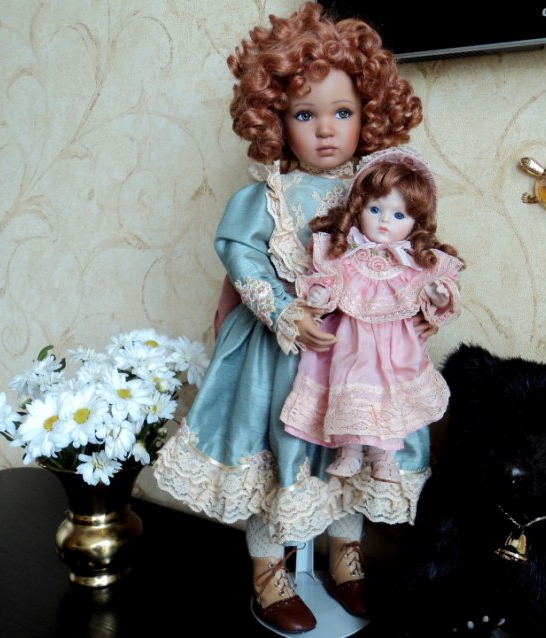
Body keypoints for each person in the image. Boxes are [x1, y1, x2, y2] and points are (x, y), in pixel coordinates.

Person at [153, 3, 424, 633]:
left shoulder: (379, 191)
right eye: (305, 115)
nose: (326, 130)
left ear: (369, 114)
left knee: (352, 452)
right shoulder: (268, 197)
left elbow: (407, 251)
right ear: (275, 119)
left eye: (342, 113)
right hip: (282, 357)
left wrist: (419, 300)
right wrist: (281, 309)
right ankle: (269, 571)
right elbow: (241, 256)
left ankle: (347, 557)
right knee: (281, 456)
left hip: (360, 358)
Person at [280, 147, 464, 484]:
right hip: (352, 344)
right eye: (375, 209)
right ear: (358, 208)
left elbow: (443, 290)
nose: (384, 221)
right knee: (350, 388)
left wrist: (438, 296)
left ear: (416, 222)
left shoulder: (415, 261)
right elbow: (328, 281)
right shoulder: (346, 253)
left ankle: (385, 458)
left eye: (399, 215)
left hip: (397, 349)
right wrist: (320, 294)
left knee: (390, 396)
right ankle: (348, 452)